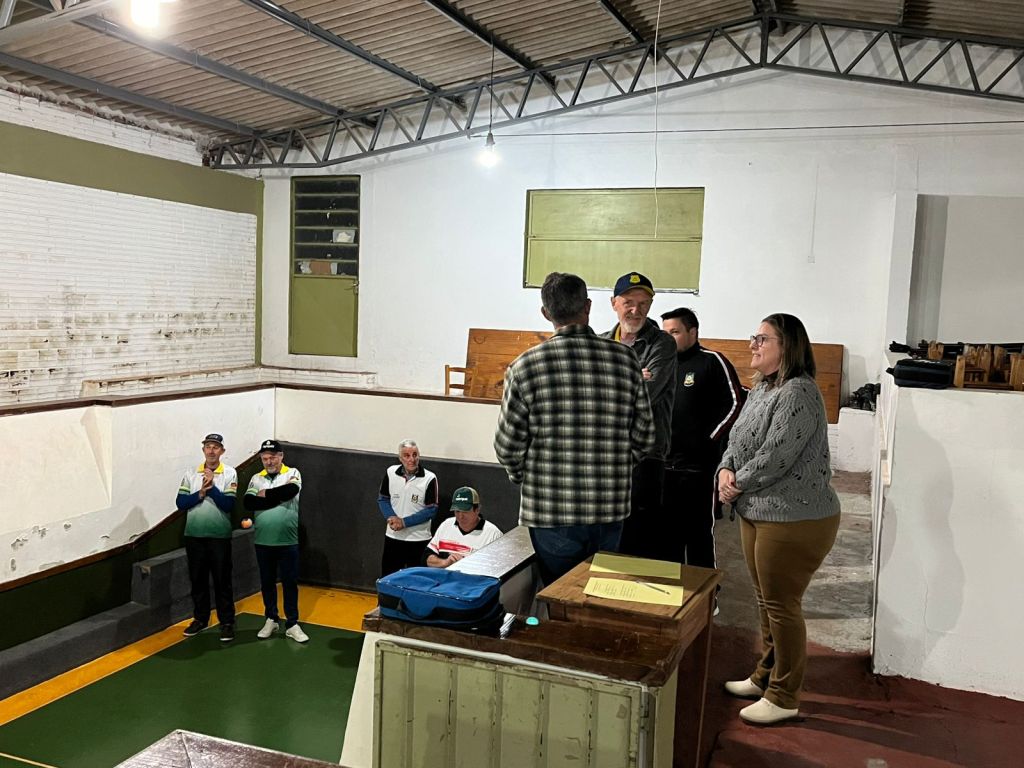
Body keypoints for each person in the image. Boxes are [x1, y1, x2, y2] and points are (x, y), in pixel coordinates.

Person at [717, 314, 840, 725]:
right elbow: (736, 439)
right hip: (757, 510)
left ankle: (784, 696)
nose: (753, 345)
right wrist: (725, 468)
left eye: (762, 339)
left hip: (794, 517)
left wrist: (736, 483)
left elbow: (776, 456)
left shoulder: (799, 392)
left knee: (782, 606)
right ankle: (764, 676)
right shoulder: (762, 388)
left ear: (787, 347)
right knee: (765, 600)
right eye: (754, 337)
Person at [495, 272, 655, 585]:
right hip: (609, 508)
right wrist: (616, 468)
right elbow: (645, 436)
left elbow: (507, 447)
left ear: (546, 313)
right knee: (602, 595)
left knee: (561, 598)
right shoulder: (625, 360)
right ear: (588, 306)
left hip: (551, 511)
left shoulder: (524, 367)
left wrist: (526, 476)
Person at [601, 272, 677, 560]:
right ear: (614, 303)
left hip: (646, 455)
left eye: (644, 303)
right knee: (608, 538)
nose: (636, 310)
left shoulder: (662, 344)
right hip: (606, 454)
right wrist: (634, 376)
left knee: (639, 540)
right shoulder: (600, 342)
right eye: (628, 303)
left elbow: (646, 394)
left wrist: (610, 381)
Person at [661, 308, 744, 568]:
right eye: (665, 333)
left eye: (674, 332)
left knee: (698, 532)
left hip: (699, 466)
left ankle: (707, 588)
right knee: (667, 533)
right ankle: (671, 585)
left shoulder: (712, 361)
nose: (668, 338)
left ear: (692, 332)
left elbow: (736, 403)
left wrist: (709, 438)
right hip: (664, 466)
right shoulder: (661, 364)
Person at [243, 439, 308, 644]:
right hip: (263, 541)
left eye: (272, 457)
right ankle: (271, 618)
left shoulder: (292, 473)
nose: (269, 462)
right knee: (267, 582)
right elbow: (248, 502)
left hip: (288, 541)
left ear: (281, 456)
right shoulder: (256, 478)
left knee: (290, 583)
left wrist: (266, 495)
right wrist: (276, 497)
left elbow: (291, 491)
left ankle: (292, 623)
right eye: (265, 458)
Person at [175, 433, 238, 642]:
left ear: (222, 451)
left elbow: (228, 504)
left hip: (219, 537)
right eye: (208, 446)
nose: (211, 450)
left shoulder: (230, 473)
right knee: (197, 580)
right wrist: (200, 494)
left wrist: (211, 488)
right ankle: (200, 619)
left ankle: (227, 622)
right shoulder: (191, 473)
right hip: (194, 536)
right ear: (203, 450)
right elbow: (181, 503)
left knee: (222, 580)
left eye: (215, 447)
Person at [378, 439, 439, 578]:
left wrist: (404, 522)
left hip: (419, 540)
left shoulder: (430, 478)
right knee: (389, 579)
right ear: (400, 458)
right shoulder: (390, 472)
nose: (412, 459)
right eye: (407, 455)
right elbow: (383, 499)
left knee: (417, 581)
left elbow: (431, 510)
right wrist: (392, 518)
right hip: (393, 537)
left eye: (415, 455)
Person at [423, 487, 503, 568]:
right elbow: (426, 557)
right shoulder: (446, 525)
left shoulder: (493, 534)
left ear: (477, 509)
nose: (460, 516)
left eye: (465, 511)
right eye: (457, 511)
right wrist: (445, 562)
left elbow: (500, 567)